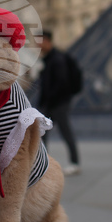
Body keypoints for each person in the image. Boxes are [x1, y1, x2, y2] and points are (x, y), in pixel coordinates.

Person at [37, 30, 81, 176]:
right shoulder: (50, 59)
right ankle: (43, 164)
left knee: (64, 132)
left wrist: (49, 99)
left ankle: (74, 163)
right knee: (43, 134)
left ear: (47, 41)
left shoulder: (56, 59)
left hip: (58, 103)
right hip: (53, 103)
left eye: (40, 41)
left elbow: (61, 83)